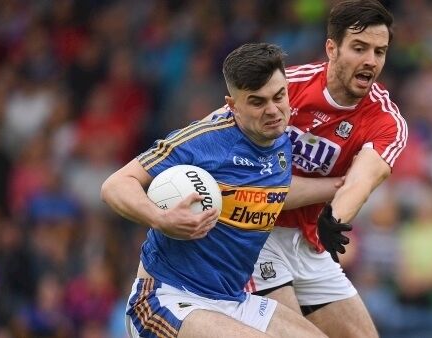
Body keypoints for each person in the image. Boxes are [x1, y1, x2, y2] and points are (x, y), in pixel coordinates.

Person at [101, 43, 338, 338]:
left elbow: (273, 191)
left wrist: (339, 187)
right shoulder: (203, 140)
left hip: (231, 300)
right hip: (167, 298)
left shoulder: (281, 138)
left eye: (279, 96)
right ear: (232, 104)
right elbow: (116, 184)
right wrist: (160, 218)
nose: (273, 110)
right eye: (257, 102)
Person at [247, 1, 408, 338]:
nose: (371, 61)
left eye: (380, 51)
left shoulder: (386, 119)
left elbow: (364, 177)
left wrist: (335, 217)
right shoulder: (285, 89)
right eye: (360, 48)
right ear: (331, 49)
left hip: (309, 241)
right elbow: (223, 144)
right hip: (254, 231)